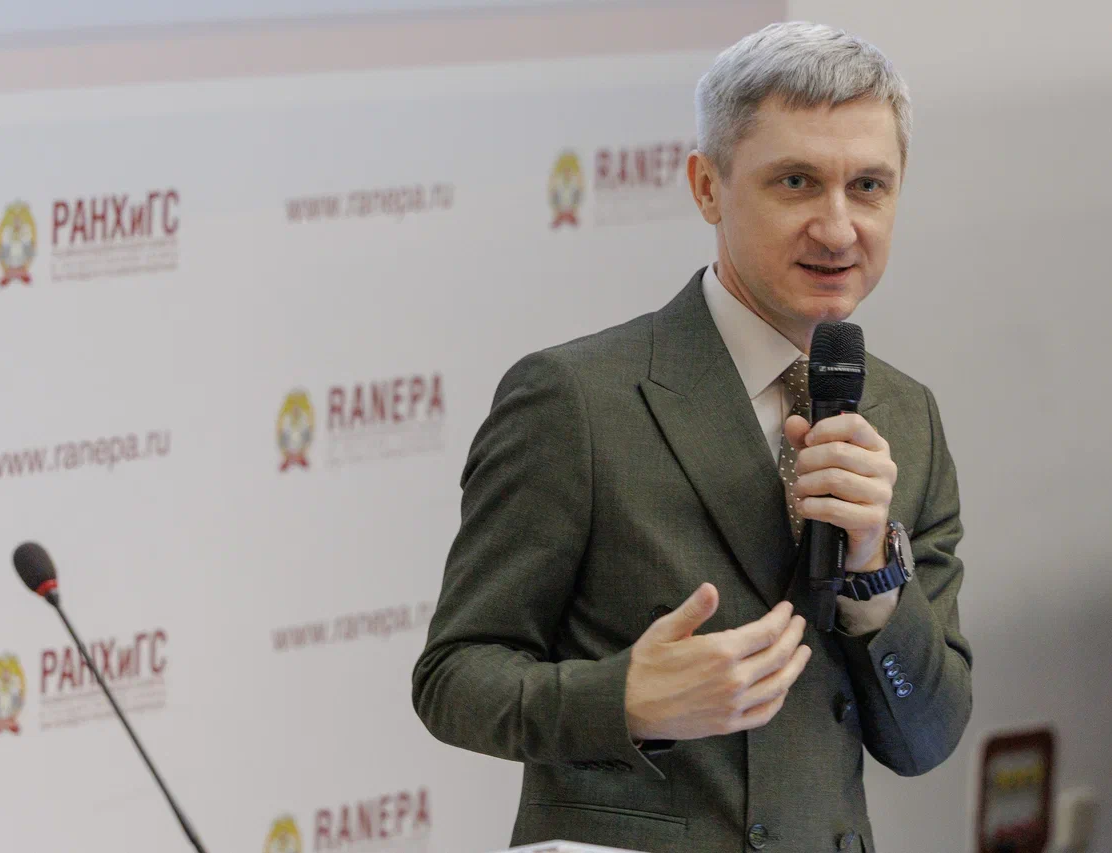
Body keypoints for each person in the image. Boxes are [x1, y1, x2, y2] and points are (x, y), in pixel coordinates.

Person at [412, 20, 972, 853]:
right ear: (708, 187)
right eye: (795, 181)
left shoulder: (907, 415)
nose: (837, 227)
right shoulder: (576, 399)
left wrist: (875, 577)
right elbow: (453, 678)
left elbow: (927, 736)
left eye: (867, 186)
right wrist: (626, 698)